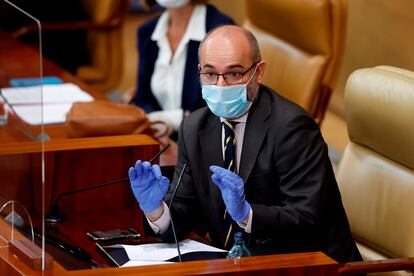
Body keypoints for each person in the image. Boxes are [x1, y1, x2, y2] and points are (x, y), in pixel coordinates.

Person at [128, 25, 362, 263]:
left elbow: (308, 218)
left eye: (234, 74)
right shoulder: (194, 127)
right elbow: (184, 214)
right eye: (210, 74)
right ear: (199, 72)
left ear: (258, 73)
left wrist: (247, 214)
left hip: (309, 264)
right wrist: (156, 209)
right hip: (235, 263)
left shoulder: (292, 127)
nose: (220, 86)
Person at [134, 0, 234, 137]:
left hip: (204, 141)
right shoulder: (147, 32)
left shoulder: (222, 32)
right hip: (159, 139)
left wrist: (170, 120)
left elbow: (223, 107)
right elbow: (143, 98)